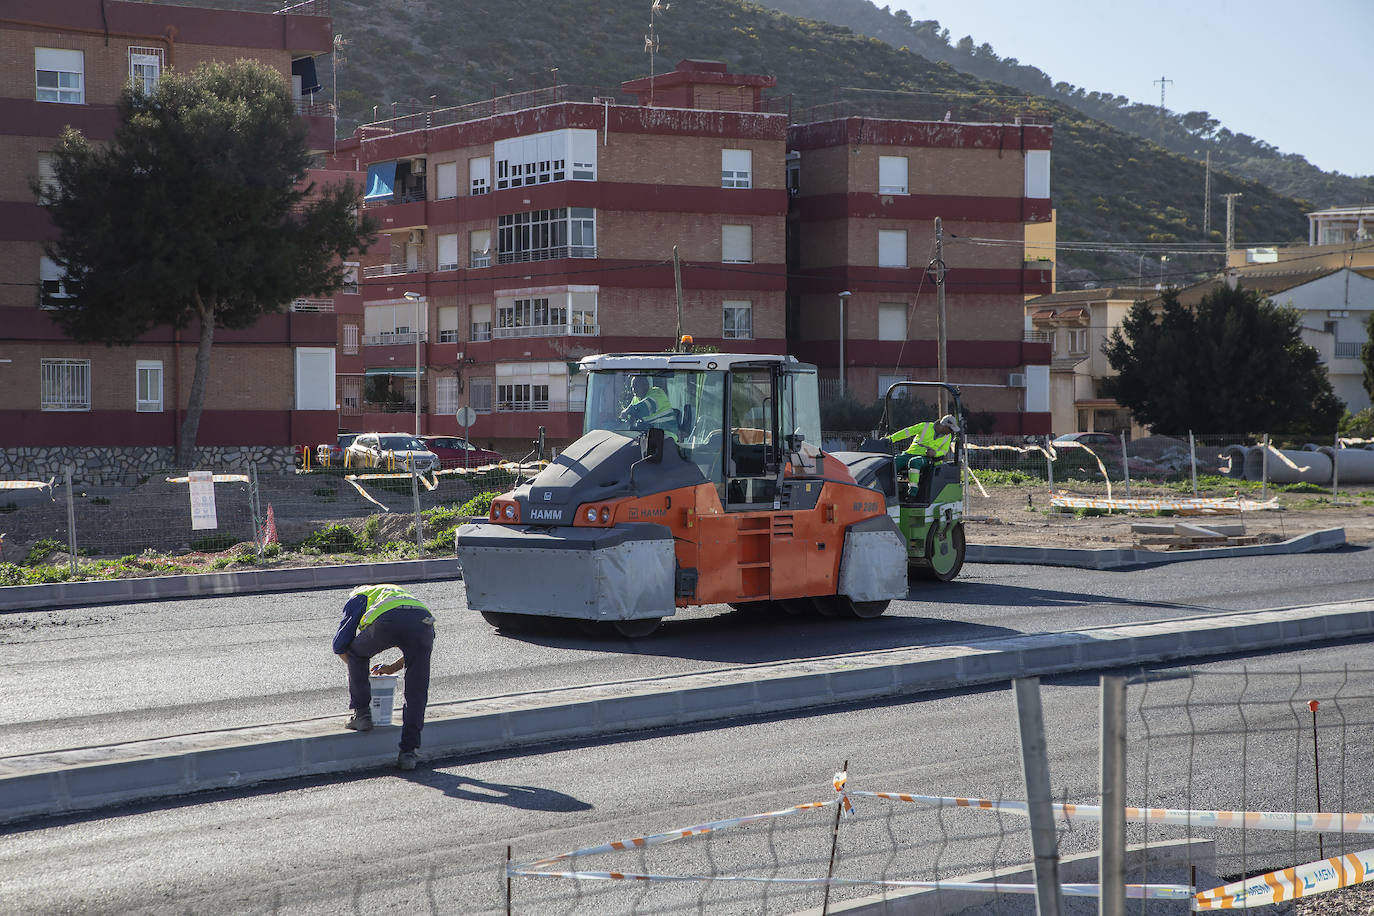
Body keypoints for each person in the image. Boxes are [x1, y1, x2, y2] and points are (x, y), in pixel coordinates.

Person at [333, 583, 436, 771]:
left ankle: (362, 714)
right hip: (424, 621)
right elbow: (414, 650)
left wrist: (359, 672)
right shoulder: (398, 594)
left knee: (356, 653)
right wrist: (390, 668)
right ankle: (408, 752)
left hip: (388, 620)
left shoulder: (358, 596)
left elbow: (340, 645)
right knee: (416, 690)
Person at [887, 414, 959, 497]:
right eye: (950, 429)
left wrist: (934, 453)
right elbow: (906, 432)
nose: (951, 432)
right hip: (910, 453)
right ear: (944, 425)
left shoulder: (948, 436)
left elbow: (944, 451)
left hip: (927, 458)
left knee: (915, 462)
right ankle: (888, 490)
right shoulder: (924, 426)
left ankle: (912, 494)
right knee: (893, 463)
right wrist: (889, 439)